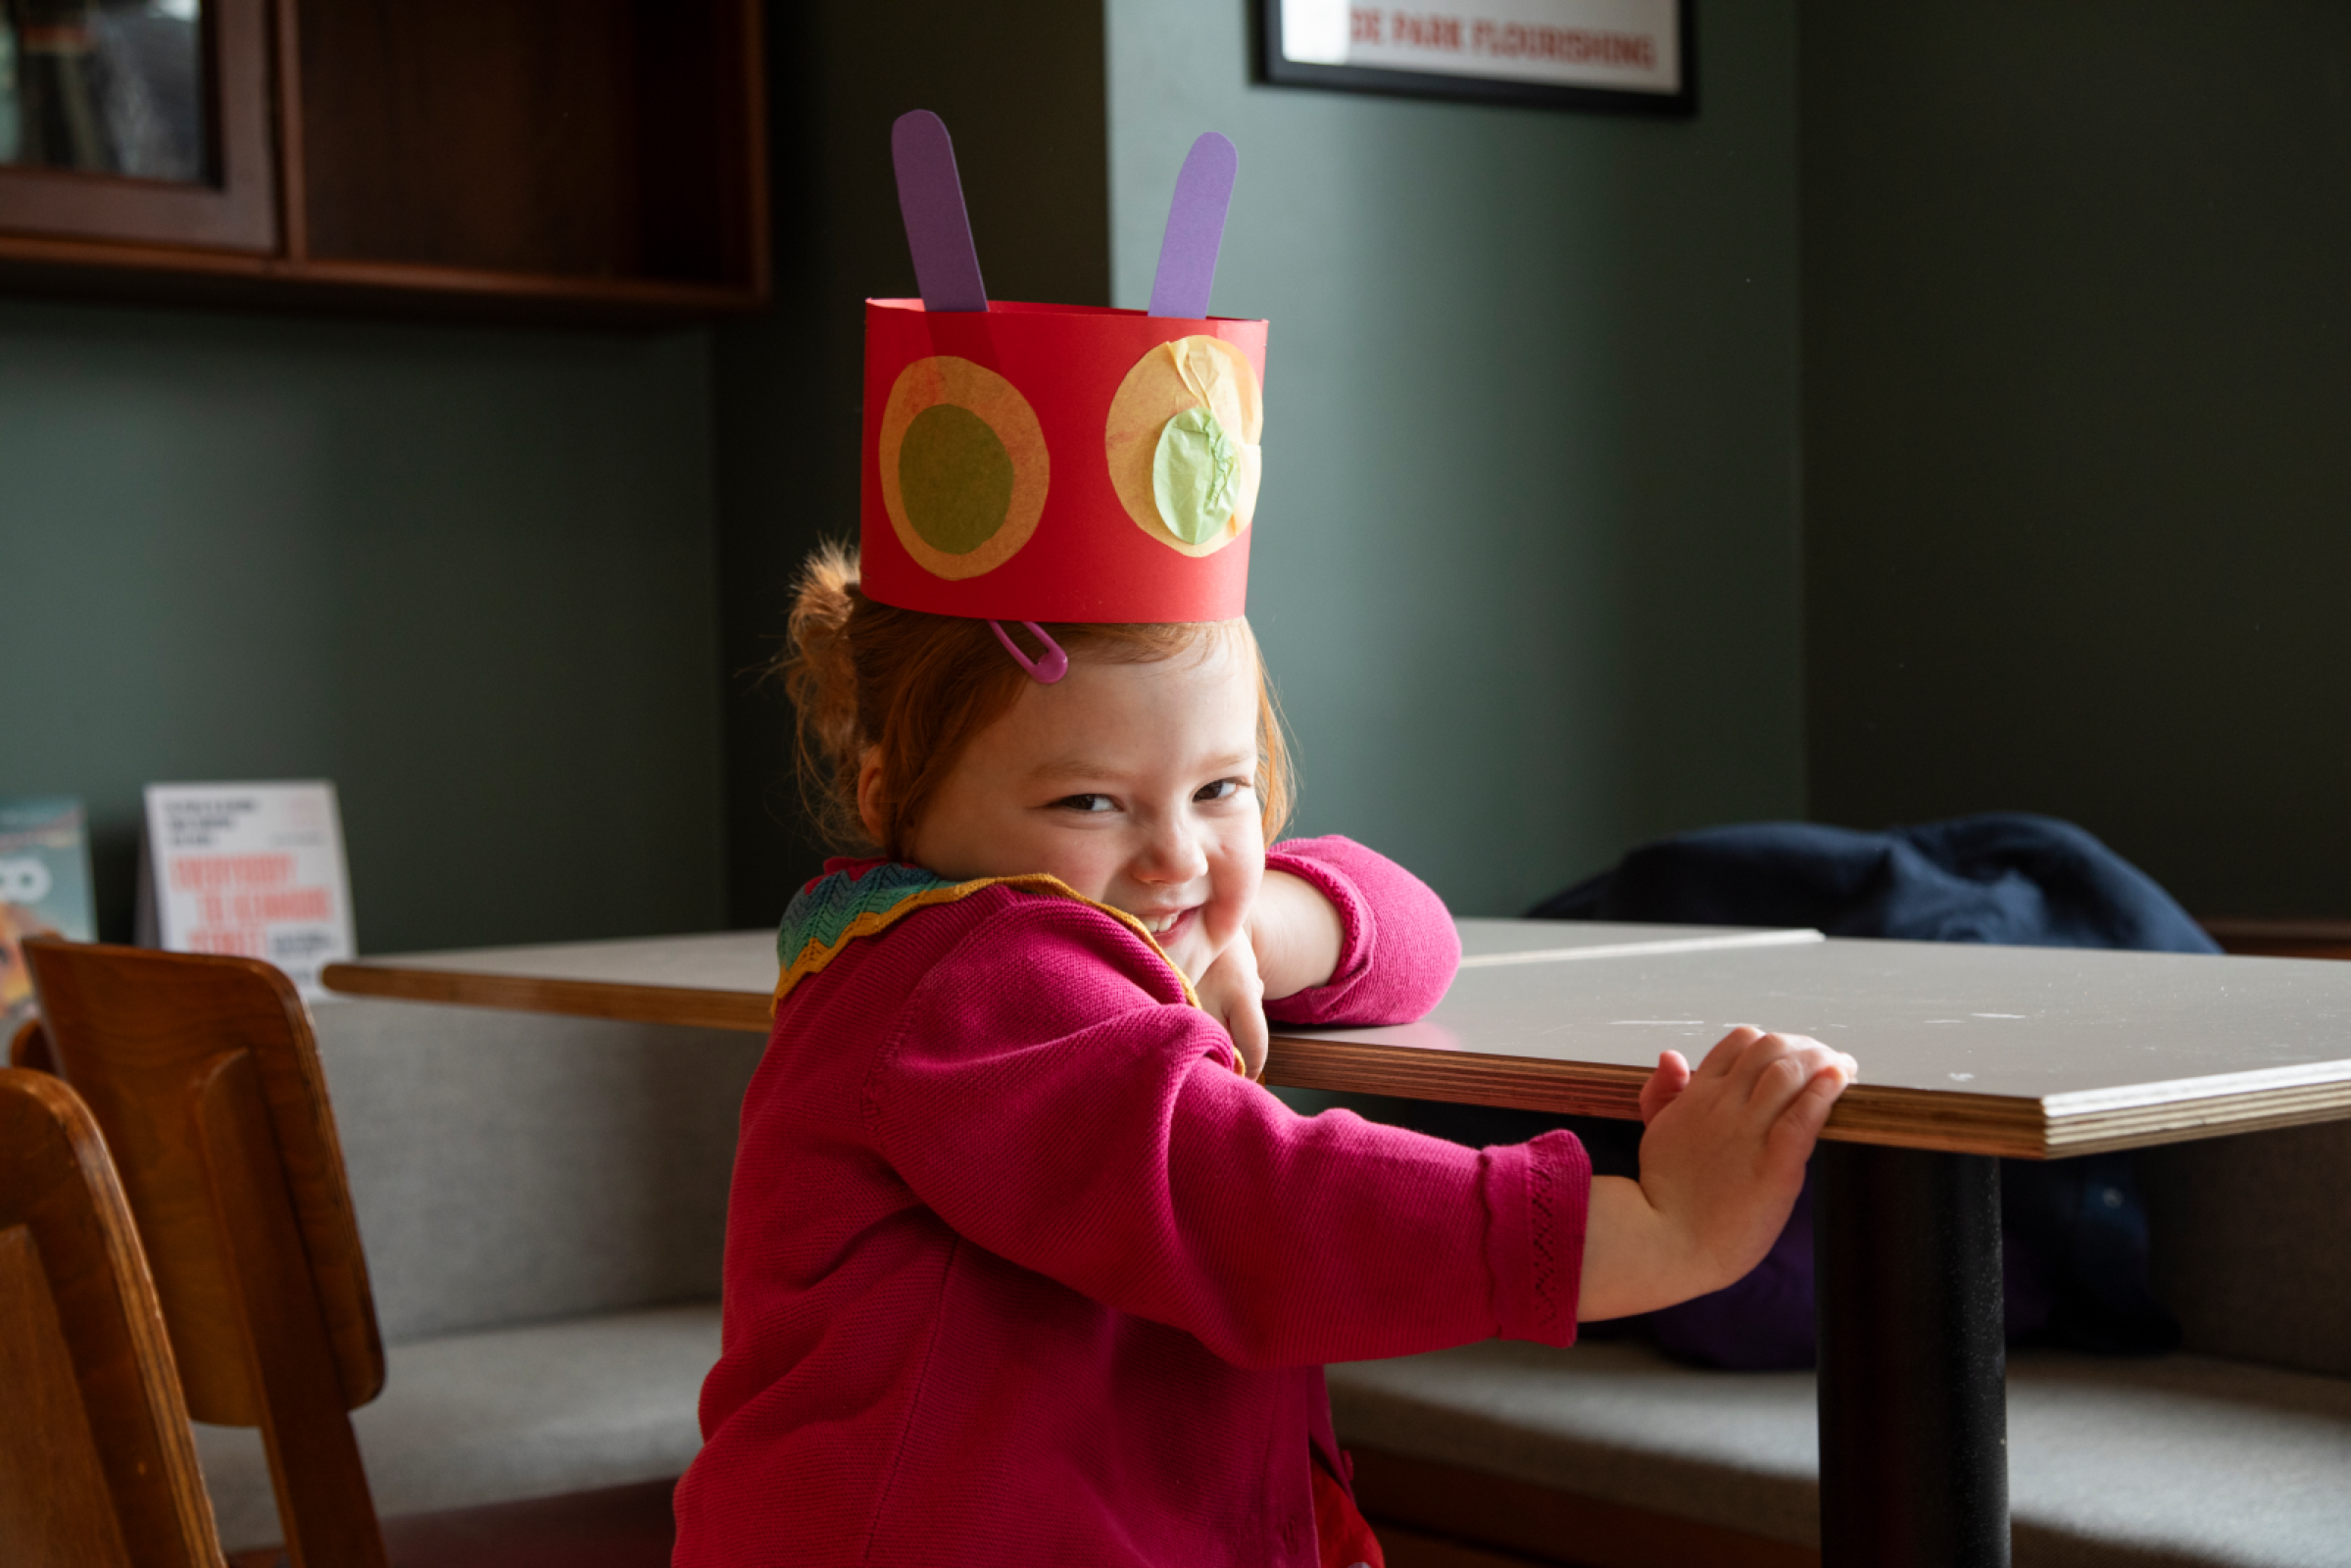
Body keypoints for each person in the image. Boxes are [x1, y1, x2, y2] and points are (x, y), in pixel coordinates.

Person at [669, 115, 1855, 1568]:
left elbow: (1405, 933)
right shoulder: (967, 973)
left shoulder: (1054, 934)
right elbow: (1248, 1209)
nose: (1172, 855)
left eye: (1220, 789)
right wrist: (1647, 1234)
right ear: (885, 794)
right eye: (1088, 804)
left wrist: (1236, 929)